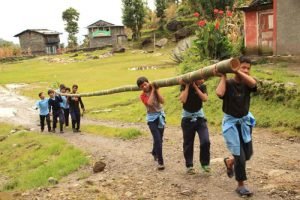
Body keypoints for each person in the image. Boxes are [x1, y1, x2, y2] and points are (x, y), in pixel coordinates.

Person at [215, 56, 257, 197]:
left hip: (244, 122)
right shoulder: (228, 83)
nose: (245, 70)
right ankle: (241, 185)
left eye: (248, 68)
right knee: (240, 156)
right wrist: (223, 77)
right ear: (236, 67)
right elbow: (219, 93)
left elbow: (253, 84)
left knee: (248, 153)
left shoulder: (247, 83)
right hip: (231, 124)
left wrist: (239, 72)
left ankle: (229, 161)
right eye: (242, 67)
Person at [179, 79, 211, 174]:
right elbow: (183, 99)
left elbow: (204, 98)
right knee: (188, 143)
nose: (203, 80)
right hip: (187, 119)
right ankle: (189, 166)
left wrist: (196, 87)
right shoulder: (184, 86)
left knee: (206, 141)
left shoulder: (202, 86)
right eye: (200, 78)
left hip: (200, 118)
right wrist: (188, 86)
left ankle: (205, 164)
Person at [137, 77, 166, 170]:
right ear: (140, 88)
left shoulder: (156, 90)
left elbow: (162, 101)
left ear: (148, 83)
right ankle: (160, 162)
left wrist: (156, 90)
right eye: (142, 86)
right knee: (157, 139)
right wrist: (153, 90)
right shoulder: (142, 96)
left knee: (160, 138)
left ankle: (154, 152)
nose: (144, 87)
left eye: (145, 84)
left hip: (160, 116)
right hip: (151, 119)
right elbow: (149, 103)